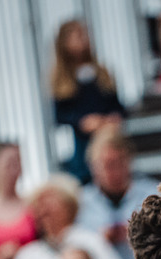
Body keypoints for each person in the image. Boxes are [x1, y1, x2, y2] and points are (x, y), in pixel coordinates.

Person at [74, 126, 158, 259]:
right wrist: (99, 241)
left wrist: (139, 235)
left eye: (116, 163)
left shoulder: (153, 196)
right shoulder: (80, 203)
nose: (111, 171)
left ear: (128, 161)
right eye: (105, 165)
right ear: (92, 166)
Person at [51, 20, 125, 184]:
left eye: (85, 35)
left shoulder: (102, 72)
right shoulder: (62, 80)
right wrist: (82, 122)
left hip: (108, 136)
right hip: (83, 145)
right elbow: (60, 115)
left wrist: (113, 118)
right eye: (77, 36)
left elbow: (117, 105)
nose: (83, 40)